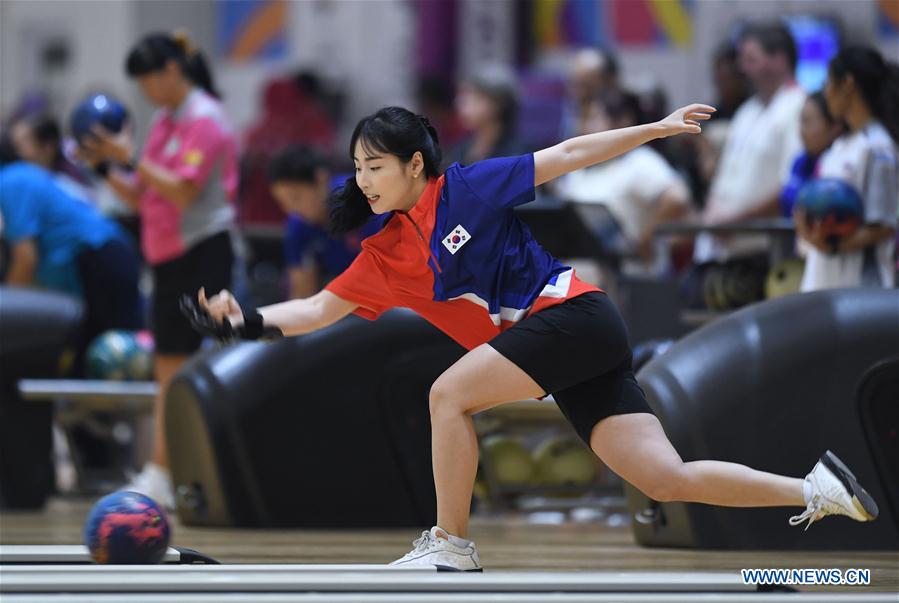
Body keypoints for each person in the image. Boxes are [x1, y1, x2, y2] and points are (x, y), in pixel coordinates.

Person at [190, 104, 878, 571]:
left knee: (446, 394)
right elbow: (313, 311)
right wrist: (240, 322)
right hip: (569, 346)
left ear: (415, 164)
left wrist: (654, 129)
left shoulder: (469, 188)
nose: (363, 179)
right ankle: (814, 489)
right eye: (358, 168)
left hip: (573, 317)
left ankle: (451, 542)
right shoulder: (382, 256)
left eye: (376, 165)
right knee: (663, 478)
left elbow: (570, 152)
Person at [79, 31, 238, 508]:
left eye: (147, 79)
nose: (144, 91)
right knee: (168, 366)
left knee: (189, 366)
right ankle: (163, 471)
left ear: (171, 71)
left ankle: (169, 470)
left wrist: (126, 155)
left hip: (201, 253)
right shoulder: (167, 121)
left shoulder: (206, 118)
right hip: (169, 258)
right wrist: (106, 168)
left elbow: (183, 191)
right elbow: (146, 196)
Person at [0, 135, 143, 369]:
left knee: (120, 353)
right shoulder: (19, 176)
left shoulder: (10, 182)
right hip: (99, 256)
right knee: (87, 358)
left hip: (102, 256)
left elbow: (25, 258)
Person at [694, 22, 806, 264]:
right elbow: (725, 175)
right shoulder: (747, 110)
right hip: (720, 248)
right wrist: (714, 216)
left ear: (779, 59)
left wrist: (737, 222)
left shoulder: (799, 107)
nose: (742, 68)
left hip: (765, 249)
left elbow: (791, 186)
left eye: (751, 59)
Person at [555, 89, 692, 275]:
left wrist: (647, 237)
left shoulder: (640, 160)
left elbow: (677, 199)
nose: (586, 127)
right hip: (577, 260)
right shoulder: (582, 165)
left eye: (595, 118)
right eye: (586, 119)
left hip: (626, 271)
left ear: (623, 122)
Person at [796, 46, 899, 291]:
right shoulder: (840, 145)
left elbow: (884, 226)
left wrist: (830, 245)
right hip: (824, 279)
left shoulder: (877, 147)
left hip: (860, 290)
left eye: (829, 83)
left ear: (848, 85)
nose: (826, 92)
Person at [268, 145, 381, 298]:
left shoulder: (362, 201)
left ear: (321, 178)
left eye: (296, 197)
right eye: (283, 203)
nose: (292, 209)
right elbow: (302, 290)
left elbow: (382, 272)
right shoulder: (297, 224)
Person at [446, 65, 528, 165]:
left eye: (473, 97)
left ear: (498, 102)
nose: (460, 104)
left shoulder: (518, 154)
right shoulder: (459, 150)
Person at [779, 92, 843, 217]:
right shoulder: (799, 162)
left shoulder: (838, 166)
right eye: (801, 121)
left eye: (807, 122)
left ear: (834, 128)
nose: (801, 131)